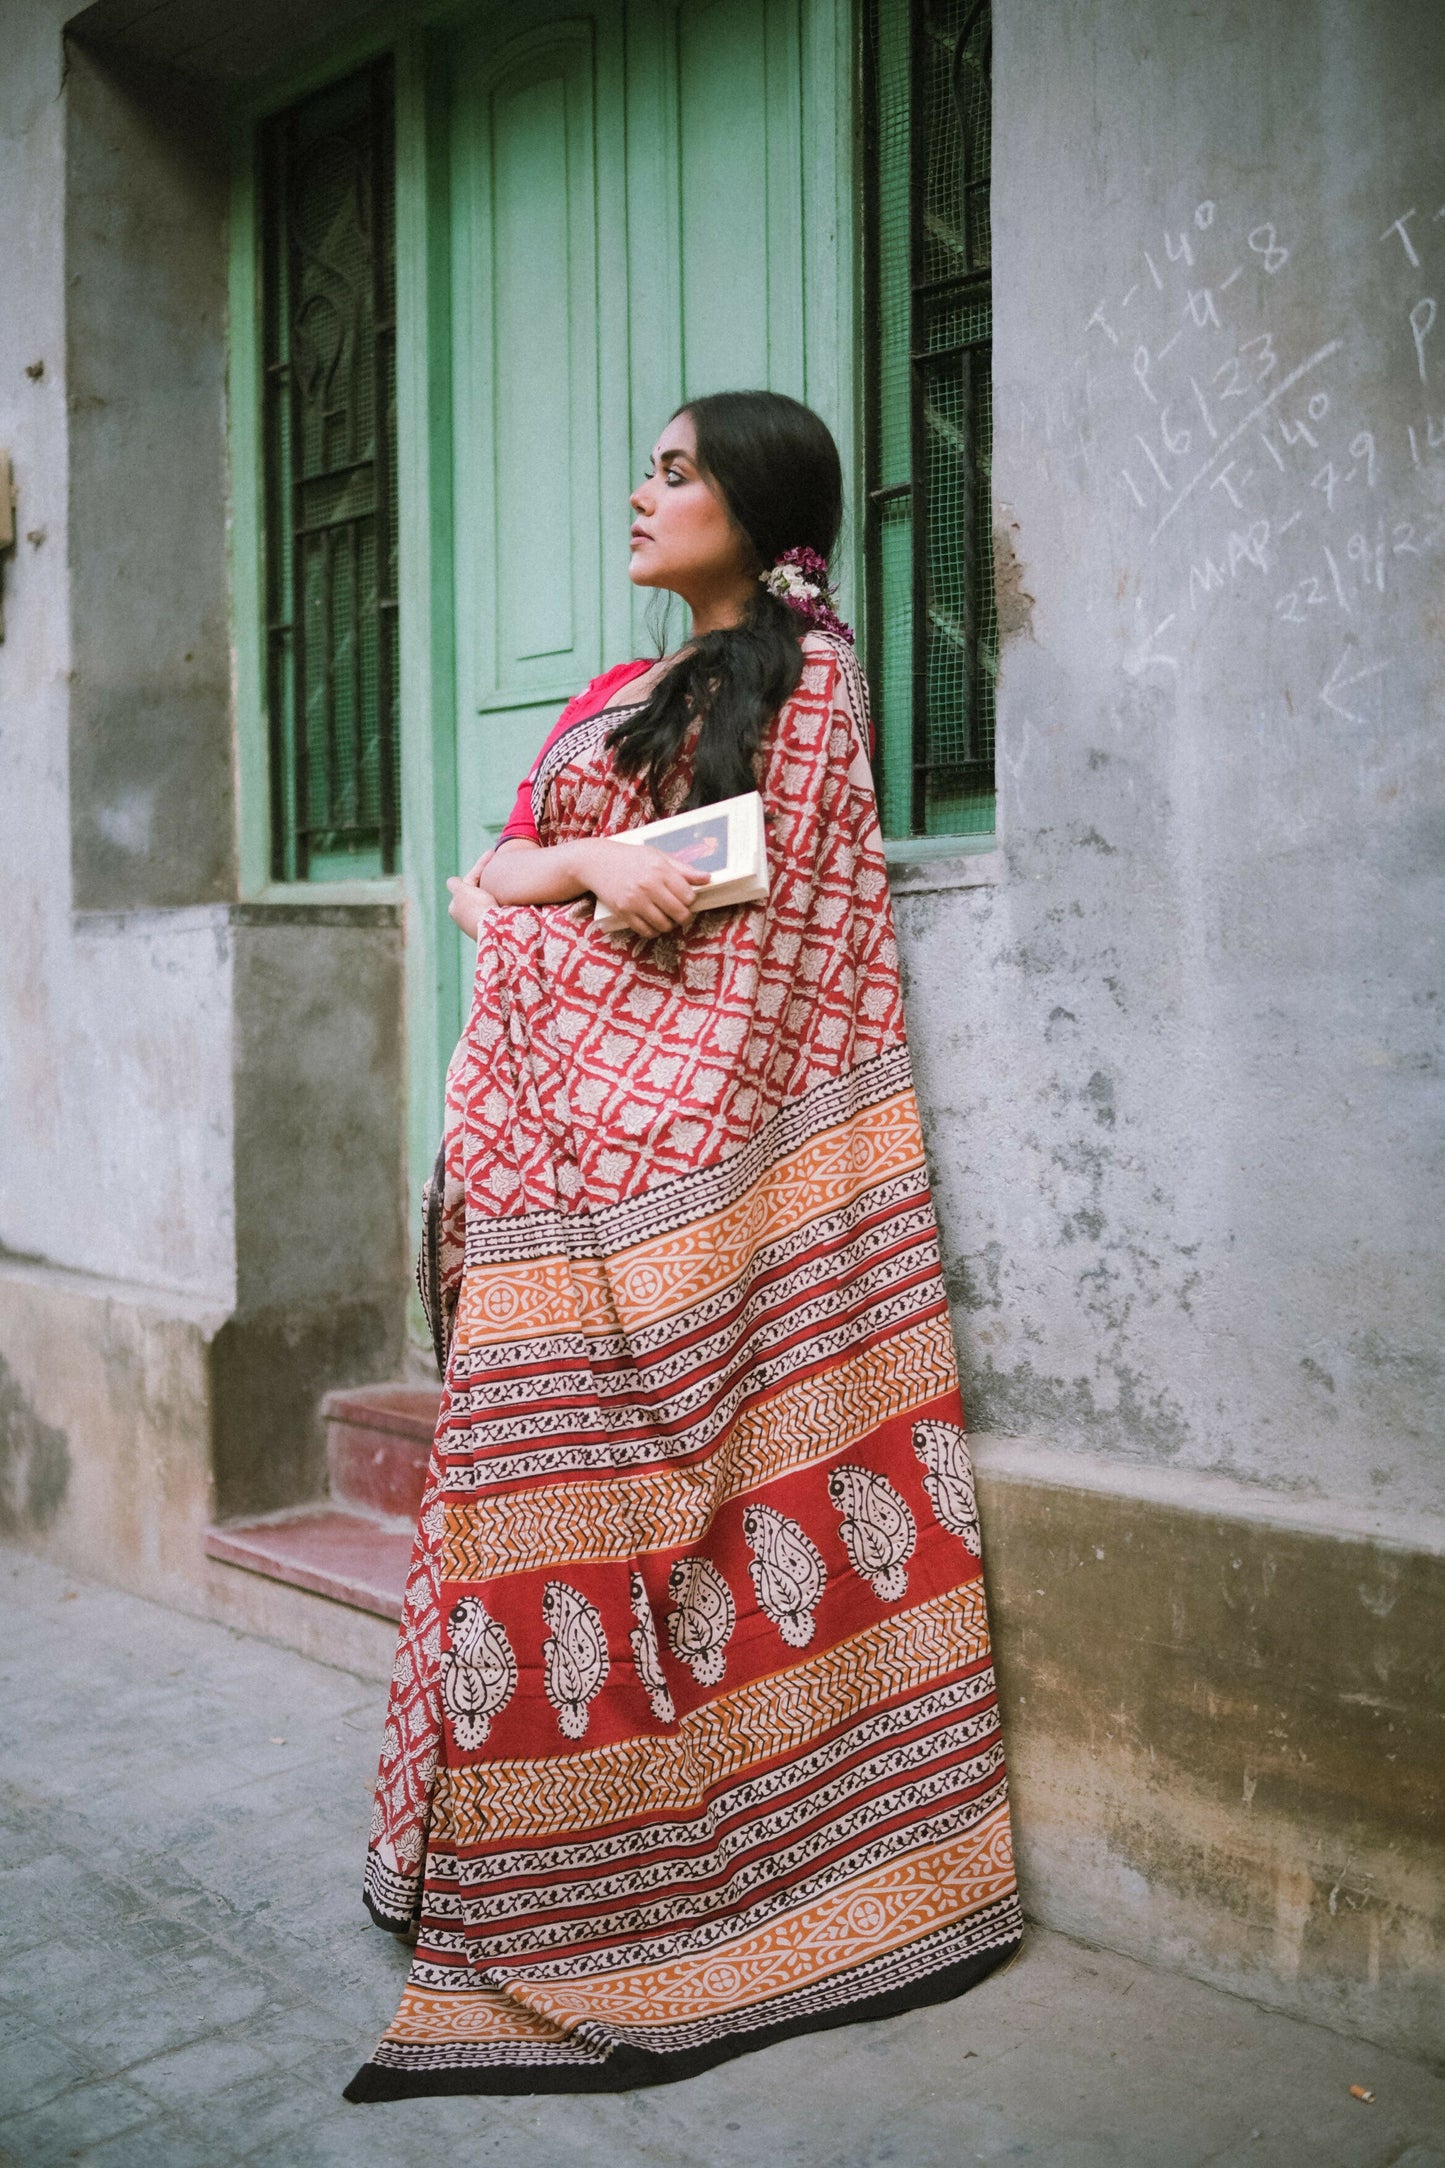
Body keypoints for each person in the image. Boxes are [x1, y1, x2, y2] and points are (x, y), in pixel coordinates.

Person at [346, 390, 1022, 2103]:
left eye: (673, 470)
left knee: (674, 1493)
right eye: (645, 467)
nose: (640, 494)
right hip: (550, 1165)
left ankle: (750, 1873)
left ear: (756, 503)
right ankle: (479, 1856)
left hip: (698, 1169)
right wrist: (575, 862)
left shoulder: (811, 682)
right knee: (518, 1487)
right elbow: (489, 879)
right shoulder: (615, 695)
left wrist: (563, 892)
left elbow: (776, 935)